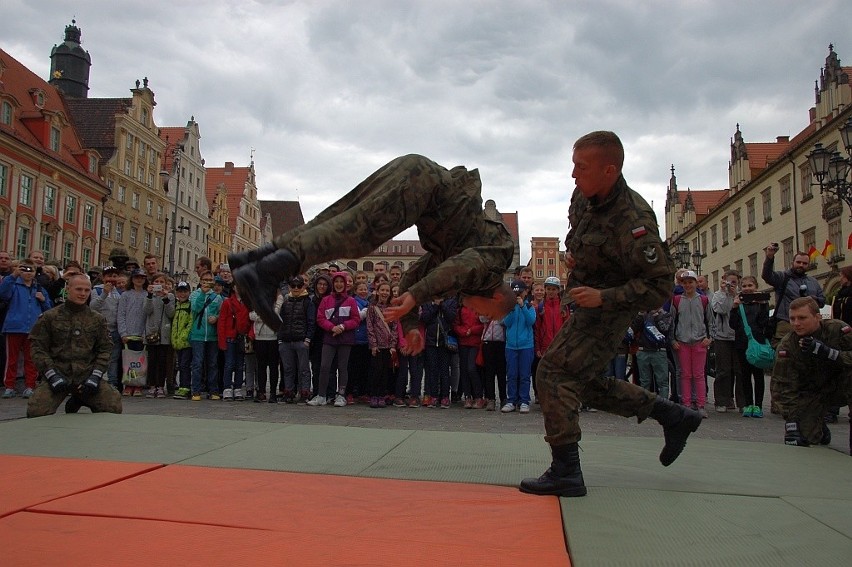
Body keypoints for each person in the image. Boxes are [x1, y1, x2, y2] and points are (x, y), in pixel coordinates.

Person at [516, 131, 701, 498]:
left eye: (581, 168)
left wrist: (604, 297)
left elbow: (660, 287)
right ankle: (673, 416)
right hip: (585, 303)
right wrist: (575, 259)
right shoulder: (583, 196)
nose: (573, 175)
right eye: (573, 165)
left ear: (609, 170)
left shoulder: (634, 220)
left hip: (609, 310)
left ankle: (566, 471)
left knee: (553, 373)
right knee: (579, 383)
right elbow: (580, 236)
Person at [229, 154, 516, 352]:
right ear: (499, 297)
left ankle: (256, 259)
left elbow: (411, 278)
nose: (476, 312)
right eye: (486, 311)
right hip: (422, 186)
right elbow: (462, 267)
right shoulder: (495, 259)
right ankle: (266, 273)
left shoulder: (464, 257)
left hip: (417, 176)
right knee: (356, 233)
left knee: (341, 217)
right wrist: (416, 297)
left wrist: (412, 324)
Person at [26, 274, 122, 417]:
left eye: (86, 290)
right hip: (59, 373)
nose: (83, 294)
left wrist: (95, 376)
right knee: (36, 411)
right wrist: (51, 375)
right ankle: (74, 396)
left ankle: (79, 398)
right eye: (78, 289)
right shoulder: (49, 317)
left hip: (86, 374)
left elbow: (105, 349)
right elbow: (38, 348)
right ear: (68, 289)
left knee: (113, 406)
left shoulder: (97, 319)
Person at [772, 297, 850, 455]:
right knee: (804, 437)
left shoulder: (838, 330)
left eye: (802, 318)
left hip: (842, 385)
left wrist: (829, 353)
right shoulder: (788, 345)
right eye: (792, 319)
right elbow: (783, 385)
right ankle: (819, 425)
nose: (796, 323)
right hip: (813, 391)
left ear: (817, 317)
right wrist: (791, 423)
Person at [1, 259, 52, 398]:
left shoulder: (39, 288)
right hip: (14, 327)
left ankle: (30, 385)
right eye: (25, 269)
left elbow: (49, 310)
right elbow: (3, 293)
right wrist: (13, 275)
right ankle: (9, 386)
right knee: (12, 359)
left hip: (33, 328)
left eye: (31, 270)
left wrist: (43, 300)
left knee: (31, 360)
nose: (28, 273)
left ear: (36, 272)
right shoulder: (13, 285)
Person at [309, 272, 360, 407]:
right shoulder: (326, 300)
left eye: (341, 282)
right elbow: (320, 318)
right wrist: (332, 328)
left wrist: (343, 326)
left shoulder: (350, 301)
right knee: (325, 366)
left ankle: (341, 395)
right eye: (336, 282)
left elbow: (355, 319)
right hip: (330, 338)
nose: (338, 284)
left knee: (343, 367)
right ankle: (321, 395)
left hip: (345, 339)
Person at [761, 245, 826, 345]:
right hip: (786, 323)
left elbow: (822, 301)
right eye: (798, 262)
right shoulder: (782, 277)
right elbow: (767, 275)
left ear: (808, 265)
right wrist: (769, 257)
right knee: (784, 353)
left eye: (804, 263)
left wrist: (812, 299)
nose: (801, 265)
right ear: (793, 263)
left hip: (808, 325)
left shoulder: (813, 281)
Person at [671, 270, 711, 417]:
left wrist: (710, 337)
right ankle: (686, 404)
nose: (688, 285)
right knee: (685, 374)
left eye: (691, 282)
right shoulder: (676, 300)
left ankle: (700, 404)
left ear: (696, 283)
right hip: (682, 342)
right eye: (685, 282)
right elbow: (672, 322)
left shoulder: (704, 300)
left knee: (699, 375)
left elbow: (711, 321)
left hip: (700, 341)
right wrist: (673, 339)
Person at [730, 275, 770, 417]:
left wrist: (764, 305)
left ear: (756, 287)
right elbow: (732, 325)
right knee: (744, 375)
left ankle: (758, 406)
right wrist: (734, 308)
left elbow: (764, 323)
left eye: (750, 286)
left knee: (758, 375)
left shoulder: (760, 303)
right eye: (744, 286)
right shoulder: (739, 303)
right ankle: (748, 404)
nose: (747, 289)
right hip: (742, 343)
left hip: (757, 342)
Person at [502, 280, 536, 413]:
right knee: (511, 374)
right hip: (511, 346)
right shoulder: (508, 307)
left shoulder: (529, 307)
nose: (517, 295)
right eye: (514, 293)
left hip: (526, 346)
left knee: (524, 375)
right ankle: (511, 400)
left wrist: (522, 307)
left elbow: (531, 321)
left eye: (519, 292)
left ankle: (524, 401)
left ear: (525, 292)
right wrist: (512, 310)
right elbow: (507, 323)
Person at [710, 270, 742, 412]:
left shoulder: (741, 294)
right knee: (723, 370)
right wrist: (724, 293)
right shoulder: (717, 295)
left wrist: (735, 295)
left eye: (734, 282)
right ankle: (722, 400)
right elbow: (719, 309)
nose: (731, 285)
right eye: (729, 281)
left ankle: (742, 401)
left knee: (739, 370)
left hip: (738, 336)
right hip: (722, 336)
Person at [189, 272, 222, 401]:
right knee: (197, 363)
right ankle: (196, 390)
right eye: (205, 280)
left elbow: (220, 313)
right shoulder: (195, 294)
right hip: (198, 334)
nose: (207, 282)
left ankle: (213, 390)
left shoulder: (217, 297)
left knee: (213, 363)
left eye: (210, 280)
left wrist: (216, 318)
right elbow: (195, 309)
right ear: (201, 280)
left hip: (212, 335)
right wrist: (203, 294)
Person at [116, 269, 149, 396]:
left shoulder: (147, 295)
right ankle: (129, 384)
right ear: (132, 279)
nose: (139, 280)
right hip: (128, 334)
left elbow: (148, 316)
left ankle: (138, 384)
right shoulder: (126, 295)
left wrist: (145, 334)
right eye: (137, 277)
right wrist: (123, 333)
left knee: (140, 361)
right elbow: (121, 314)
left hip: (141, 334)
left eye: (142, 277)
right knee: (128, 361)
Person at [143, 273, 175, 398]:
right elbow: (146, 311)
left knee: (162, 361)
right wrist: (150, 295)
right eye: (156, 282)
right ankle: (152, 386)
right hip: (152, 333)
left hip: (164, 334)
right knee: (152, 361)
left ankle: (161, 386)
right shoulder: (148, 296)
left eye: (161, 282)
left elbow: (171, 313)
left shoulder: (170, 296)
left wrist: (165, 299)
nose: (159, 284)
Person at [170, 281, 194, 400]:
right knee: (180, 365)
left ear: (189, 293)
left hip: (186, 342)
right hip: (177, 341)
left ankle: (185, 387)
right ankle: (182, 386)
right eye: (180, 291)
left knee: (185, 365)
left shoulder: (190, 306)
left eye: (185, 291)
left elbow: (191, 322)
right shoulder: (176, 305)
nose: (182, 294)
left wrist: (185, 335)